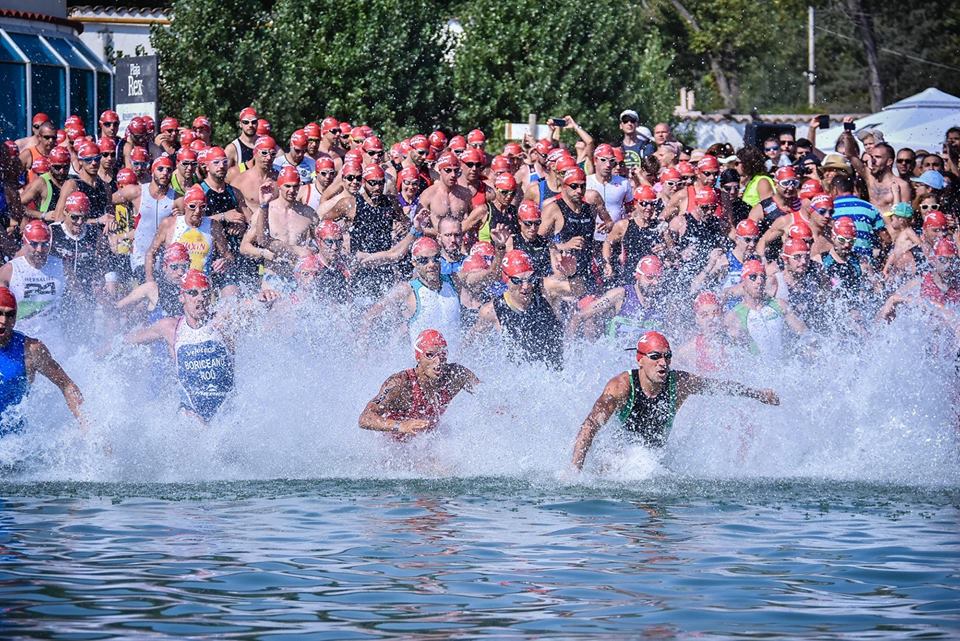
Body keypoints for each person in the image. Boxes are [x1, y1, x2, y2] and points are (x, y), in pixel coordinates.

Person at [571, 330, 779, 469]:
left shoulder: (679, 383)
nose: (663, 363)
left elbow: (718, 387)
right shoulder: (621, 386)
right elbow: (589, 427)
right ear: (640, 360)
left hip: (652, 459)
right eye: (655, 357)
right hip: (616, 456)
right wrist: (574, 471)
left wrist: (757, 394)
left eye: (667, 356)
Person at [123, 270, 237, 422]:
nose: (200, 298)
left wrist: (264, 297)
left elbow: (249, 308)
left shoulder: (222, 322)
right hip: (190, 415)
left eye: (205, 293)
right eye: (193, 293)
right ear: (182, 297)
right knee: (192, 422)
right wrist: (96, 355)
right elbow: (127, 340)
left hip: (226, 416)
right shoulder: (171, 328)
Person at [358, 329, 479, 437]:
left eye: (442, 355)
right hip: (395, 450)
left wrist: (494, 408)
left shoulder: (455, 375)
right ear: (418, 356)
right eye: (430, 355)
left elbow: (485, 394)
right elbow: (365, 418)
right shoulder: (400, 384)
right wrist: (401, 426)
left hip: (427, 445)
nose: (438, 363)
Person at [0, 286, 83, 434]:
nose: (3, 320)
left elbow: (67, 385)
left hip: (13, 445)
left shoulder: (31, 349)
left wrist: (86, 424)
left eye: (10, 314)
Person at [360, 237, 462, 356]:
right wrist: (363, 354)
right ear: (414, 262)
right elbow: (370, 315)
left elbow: (478, 277)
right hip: (424, 369)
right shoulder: (408, 290)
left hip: (453, 366)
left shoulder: (454, 280)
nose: (431, 264)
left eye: (436, 258)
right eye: (424, 260)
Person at [469, 249, 564, 368]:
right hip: (523, 375)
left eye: (530, 279)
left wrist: (573, 273)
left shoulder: (545, 290)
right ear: (506, 279)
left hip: (556, 372)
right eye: (517, 281)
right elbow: (470, 344)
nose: (526, 286)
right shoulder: (492, 311)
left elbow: (577, 289)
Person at [0, 220, 66, 350]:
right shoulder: (10, 270)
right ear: (25, 242)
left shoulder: (61, 266)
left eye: (45, 244)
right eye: (34, 244)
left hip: (55, 341)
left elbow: (81, 298)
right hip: (22, 341)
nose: (40, 250)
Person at [726, 260, 807, 359]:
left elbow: (804, 332)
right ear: (743, 282)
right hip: (759, 370)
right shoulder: (735, 315)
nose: (759, 281)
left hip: (785, 367)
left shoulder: (779, 305)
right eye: (753, 277)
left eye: (762, 277)